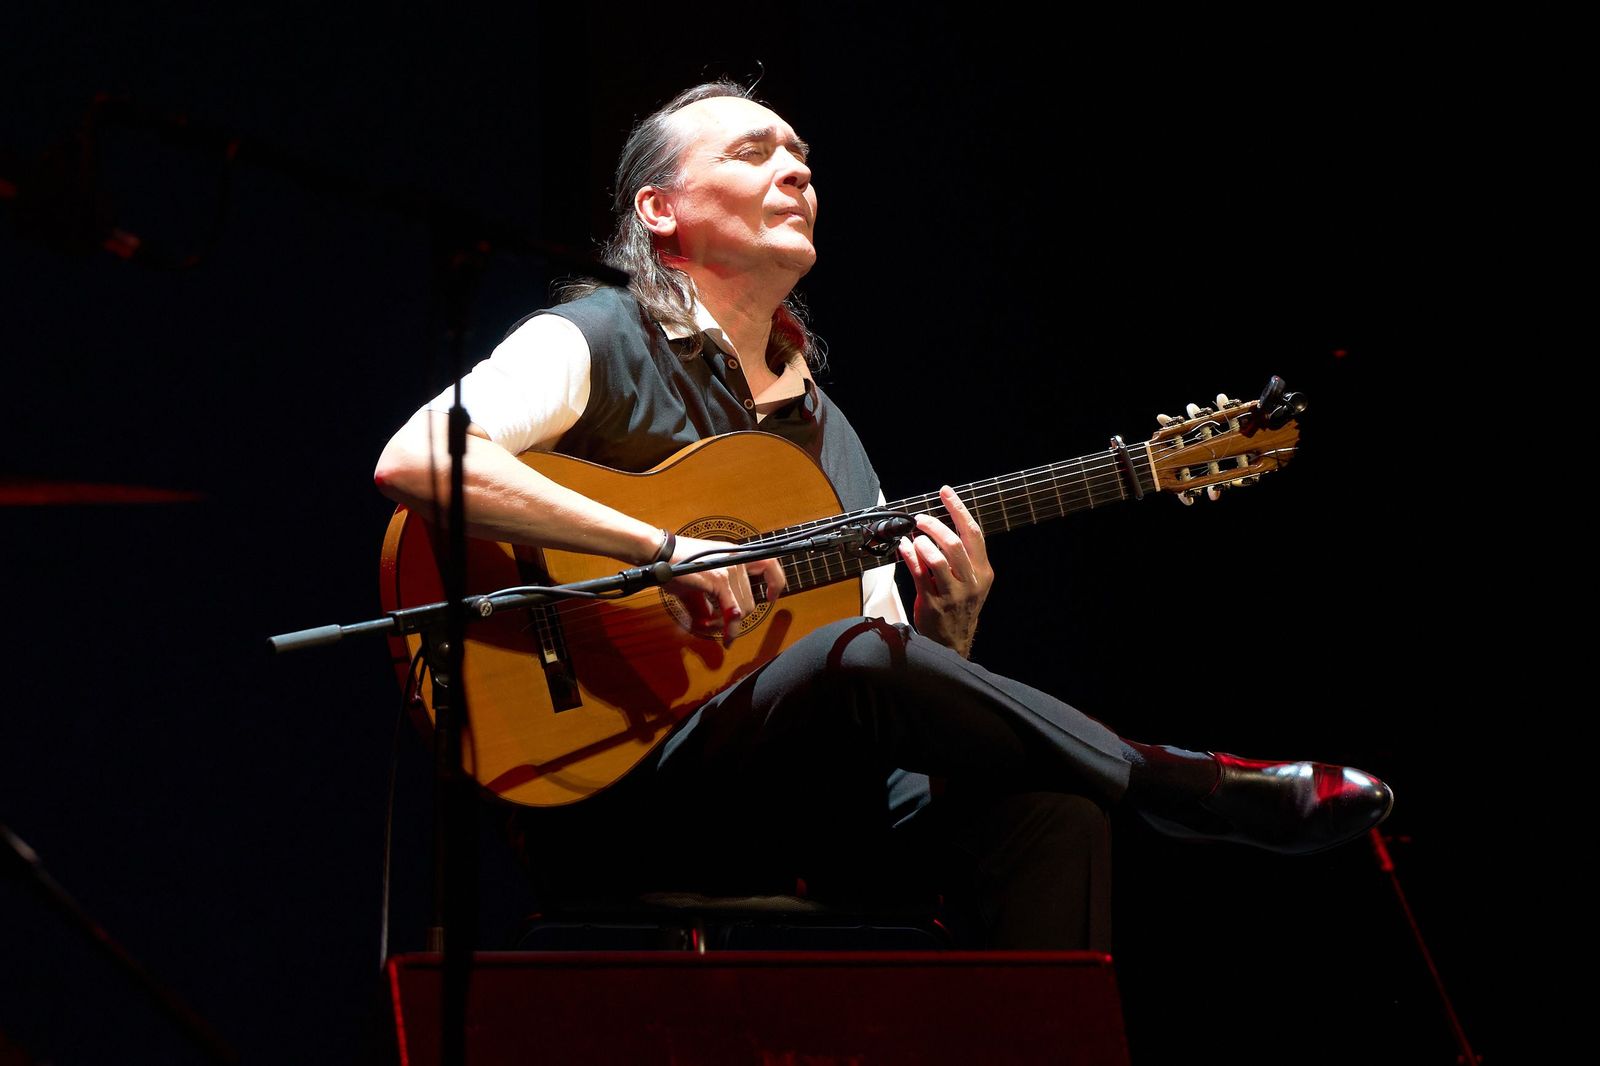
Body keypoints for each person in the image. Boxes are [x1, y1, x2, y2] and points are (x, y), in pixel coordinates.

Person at [373, 80, 1392, 950]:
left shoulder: (831, 440)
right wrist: (657, 546)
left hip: (797, 810)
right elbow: (420, 454)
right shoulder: (595, 338)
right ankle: (1187, 786)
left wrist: (948, 631)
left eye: (804, 159)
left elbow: (880, 687)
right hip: (615, 783)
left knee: (1051, 809)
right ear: (660, 210)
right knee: (855, 657)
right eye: (755, 150)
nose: (798, 172)